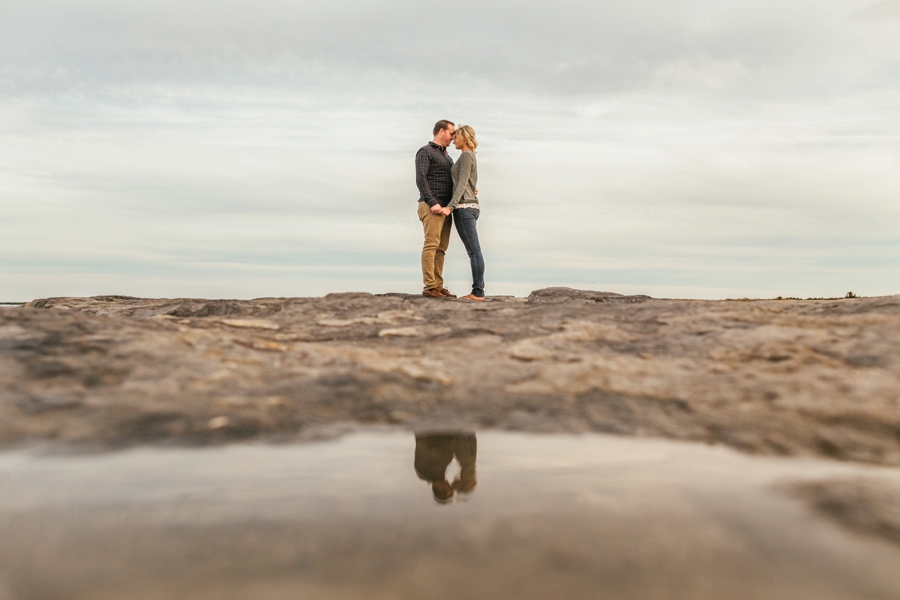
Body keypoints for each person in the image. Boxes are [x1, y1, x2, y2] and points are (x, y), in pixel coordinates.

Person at [441, 125, 485, 301]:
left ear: (464, 138)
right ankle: (478, 290)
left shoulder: (467, 156)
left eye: (456, 137)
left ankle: (478, 292)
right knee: (474, 251)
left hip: (464, 208)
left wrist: (450, 206)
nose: (453, 139)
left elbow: (461, 185)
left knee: (474, 251)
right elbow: (468, 183)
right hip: (469, 206)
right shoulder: (468, 156)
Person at [415, 120, 457, 299]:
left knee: (441, 249)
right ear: (441, 131)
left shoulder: (447, 157)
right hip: (432, 206)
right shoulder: (425, 151)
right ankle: (430, 287)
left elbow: (454, 180)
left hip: (446, 209)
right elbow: (421, 179)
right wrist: (433, 203)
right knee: (431, 245)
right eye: (451, 133)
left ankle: (438, 287)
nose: (453, 137)